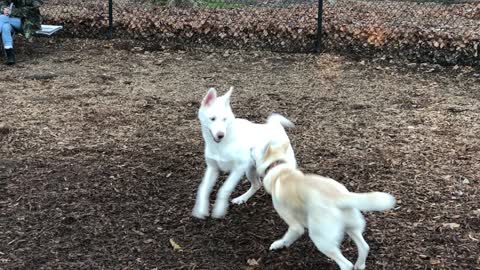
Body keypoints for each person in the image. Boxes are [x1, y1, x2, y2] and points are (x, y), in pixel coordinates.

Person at [0, 0, 43, 65]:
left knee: (1, 18)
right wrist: (4, 9)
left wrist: (12, 11)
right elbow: (3, 4)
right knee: (5, 27)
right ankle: (10, 56)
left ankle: (10, 56)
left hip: (27, 24)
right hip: (10, 21)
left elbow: (32, 9)